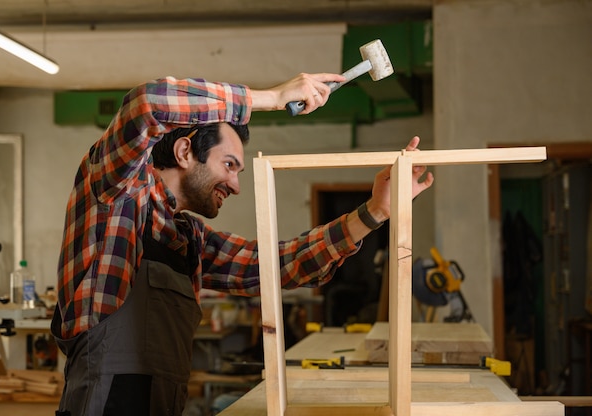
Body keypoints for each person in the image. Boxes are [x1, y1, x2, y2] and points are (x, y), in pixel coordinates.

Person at [51, 72, 434, 416]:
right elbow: (146, 103)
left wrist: (374, 213)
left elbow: (277, 264)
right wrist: (270, 97)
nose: (235, 185)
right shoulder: (115, 194)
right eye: (230, 165)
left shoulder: (188, 239)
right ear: (185, 152)